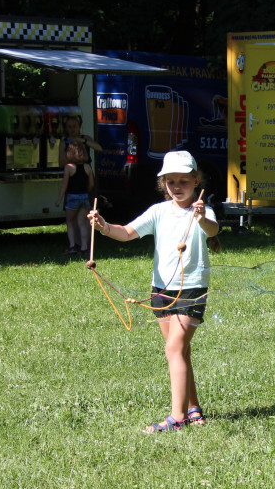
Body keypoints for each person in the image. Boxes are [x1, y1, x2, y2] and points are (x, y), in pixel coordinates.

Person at [87, 150, 219, 433]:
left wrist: (200, 218)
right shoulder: (158, 211)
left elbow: (212, 229)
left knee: (173, 348)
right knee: (180, 352)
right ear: (163, 183)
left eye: (184, 181)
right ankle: (193, 408)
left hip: (191, 288)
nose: (177, 187)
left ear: (196, 181)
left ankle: (177, 418)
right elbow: (127, 232)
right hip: (160, 289)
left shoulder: (202, 210)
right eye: (171, 182)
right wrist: (103, 227)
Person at [54, 140, 94, 256]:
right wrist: (86, 191)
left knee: (70, 222)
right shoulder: (87, 167)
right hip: (84, 197)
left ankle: (72, 246)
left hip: (72, 198)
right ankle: (84, 247)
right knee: (82, 222)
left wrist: (59, 199)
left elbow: (64, 185)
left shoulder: (68, 167)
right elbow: (91, 184)